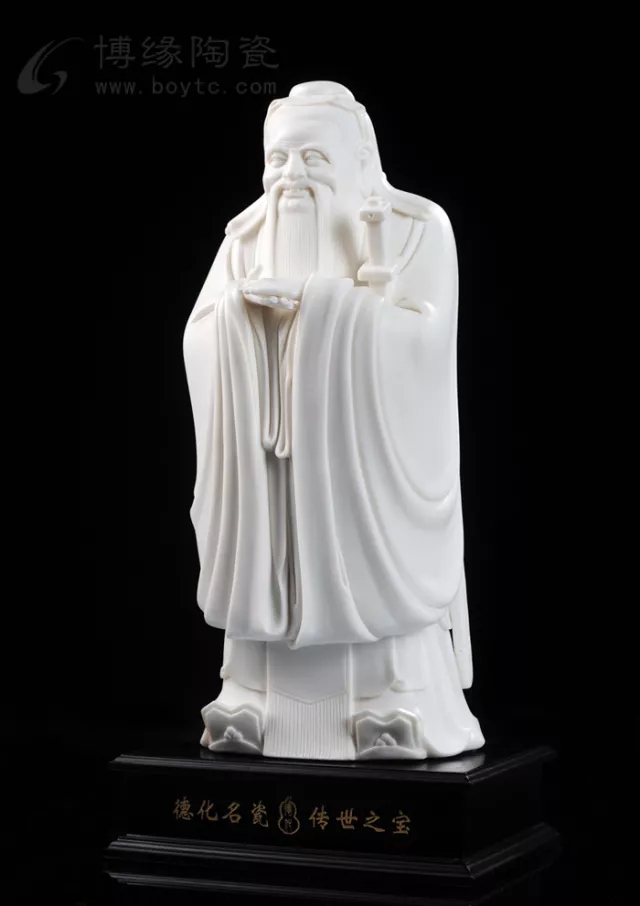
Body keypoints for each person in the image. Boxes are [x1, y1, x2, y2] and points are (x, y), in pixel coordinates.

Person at [183, 81, 484, 760]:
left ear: (359, 162)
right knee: (266, 560)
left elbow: (424, 344)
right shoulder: (244, 238)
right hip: (270, 475)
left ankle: (389, 703)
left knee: (370, 567)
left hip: (361, 467)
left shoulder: (416, 228)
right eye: (278, 159)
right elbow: (198, 336)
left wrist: (317, 309)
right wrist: (243, 323)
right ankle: (250, 700)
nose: (291, 177)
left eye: (314, 159)